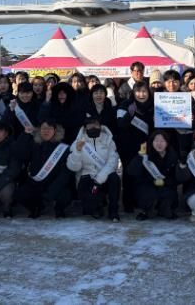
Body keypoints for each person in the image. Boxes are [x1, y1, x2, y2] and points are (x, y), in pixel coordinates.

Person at [14, 119, 72, 218]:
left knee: (66, 195)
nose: (46, 131)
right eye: (44, 128)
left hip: (55, 183)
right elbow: (20, 154)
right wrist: (25, 135)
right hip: (36, 183)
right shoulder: (34, 145)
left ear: (55, 131)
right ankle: (35, 208)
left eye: (49, 129)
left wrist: (51, 192)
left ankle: (59, 209)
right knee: (19, 194)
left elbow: (65, 174)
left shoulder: (64, 149)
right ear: (39, 130)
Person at [66, 116, 121, 222]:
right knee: (90, 209)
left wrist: (99, 179)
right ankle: (97, 204)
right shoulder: (78, 142)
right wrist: (77, 151)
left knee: (114, 178)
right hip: (87, 178)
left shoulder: (109, 140)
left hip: (104, 177)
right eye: (90, 124)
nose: (93, 127)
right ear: (85, 127)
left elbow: (113, 162)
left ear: (100, 126)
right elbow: (73, 167)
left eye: (96, 124)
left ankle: (113, 211)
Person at [116, 81, 154, 213]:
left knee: (142, 175)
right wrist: (129, 114)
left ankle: (140, 201)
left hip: (146, 147)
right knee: (128, 174)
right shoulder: (125, 105)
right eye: (138, 91)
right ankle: (128, 203)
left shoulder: (153, 106)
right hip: (127, 147)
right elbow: (120, 124)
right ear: (133, 92)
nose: (141, 94)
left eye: (144, 91)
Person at [126, 130, 179, 220]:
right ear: (152, 142)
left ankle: (164, 209)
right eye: (156, 141)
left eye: (162, 141)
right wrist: (140, 156)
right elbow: (131, 171)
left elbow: (175, 178)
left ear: (167, 143)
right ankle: (146, 211)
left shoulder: (172, 156)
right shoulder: (145, 155)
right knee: (147, 194)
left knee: (168, 194)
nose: (159, 144)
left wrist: (165, 182)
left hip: (166, 185)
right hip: (147, 185)